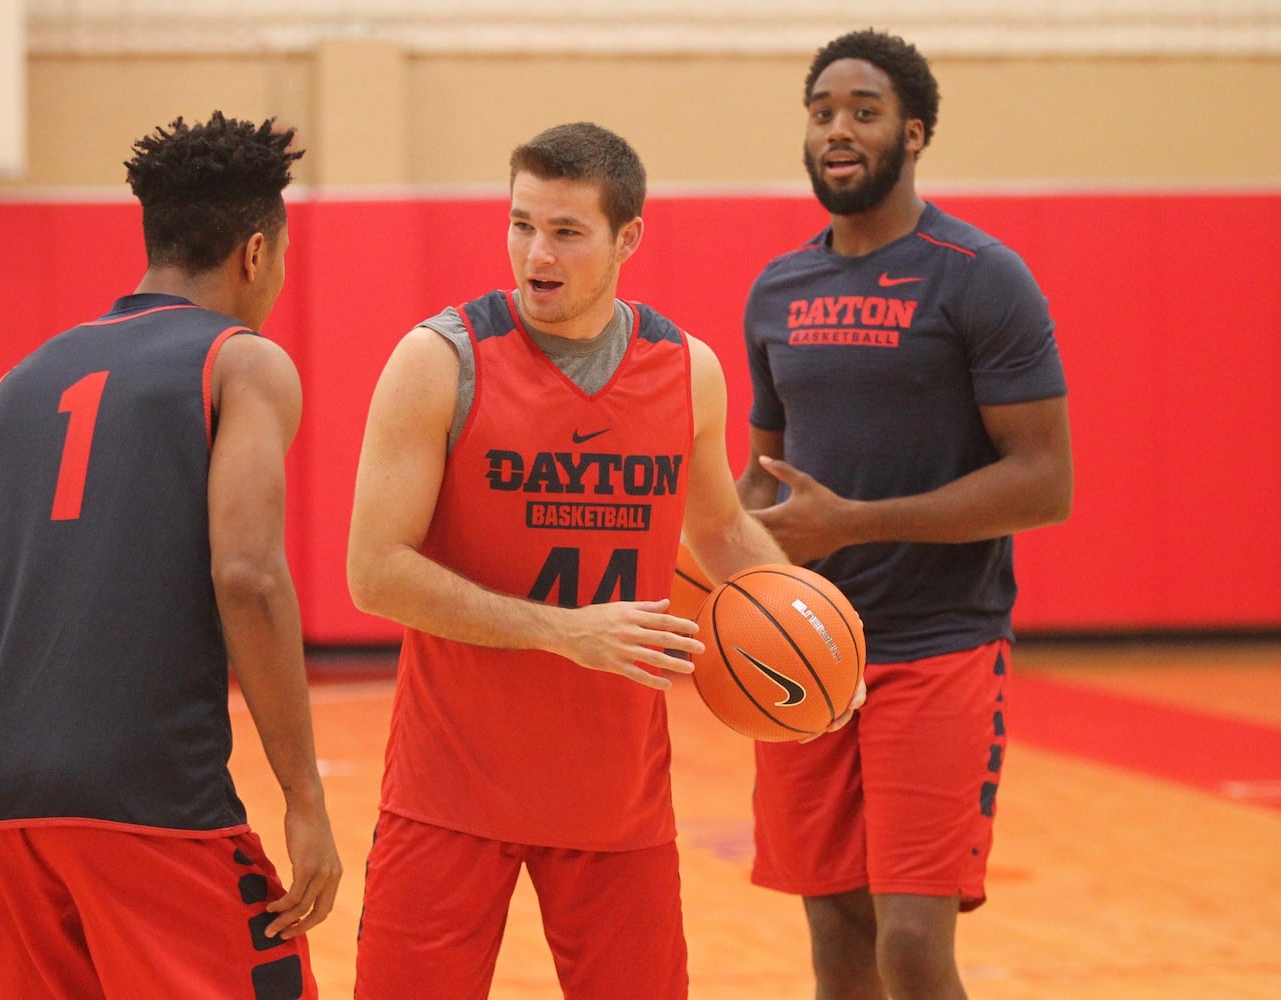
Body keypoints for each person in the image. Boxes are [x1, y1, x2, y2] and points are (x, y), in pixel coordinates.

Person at [346, 122, 856, 1000]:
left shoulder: (685, 371)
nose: (535, 254)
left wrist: (816, 627)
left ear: (628, 239)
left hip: (616, 802)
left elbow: (725, 530)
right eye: (520, 225)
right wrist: (560, 632)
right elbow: (375, 570)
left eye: (566, 232)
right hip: (449, 792)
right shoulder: (440, 361)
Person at [0, 111, 341, 1000]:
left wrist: (1, 791)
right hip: (152, 803)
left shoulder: (16, 386)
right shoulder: (241, 362)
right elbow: (249, 576)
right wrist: (304, 797)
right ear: (255, 254)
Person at [736, 29, 1074, 1000]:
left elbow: (1044, 482)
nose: (837, 129)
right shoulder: (776, 289)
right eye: (821, 112)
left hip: (939, 647)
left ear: (913, 133)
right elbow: (764, 478)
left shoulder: (978, 275)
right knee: (834, 932)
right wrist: (723, 571)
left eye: (863, 111)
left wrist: (858, 520)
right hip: (804, 658)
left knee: (912, 945)